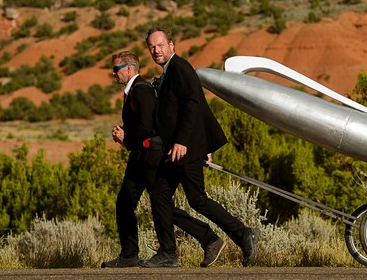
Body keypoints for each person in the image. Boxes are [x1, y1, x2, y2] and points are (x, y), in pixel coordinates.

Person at [141, 26, 260, 268]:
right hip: (174, 150)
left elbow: (194, 105)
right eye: (152, 47)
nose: (156, 50)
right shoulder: (169, 72)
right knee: (160, 197)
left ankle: (243, 234)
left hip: (185, 148)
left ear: (172, 45)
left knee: (197, 199)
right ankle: (177, 250)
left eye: (160, 45)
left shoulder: (180, 68)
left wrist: (184, 141)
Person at [101, 51, 224, 268]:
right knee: (128, 202)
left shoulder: (141, 90)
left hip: (151, 156)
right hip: (140, 155)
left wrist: (126, 138)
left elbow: (147, 127)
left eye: (116, 69)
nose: (113, 73)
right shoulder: (133, 90)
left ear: (129, 68)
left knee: (160, 206)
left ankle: (204, 239)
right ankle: (129, 254)